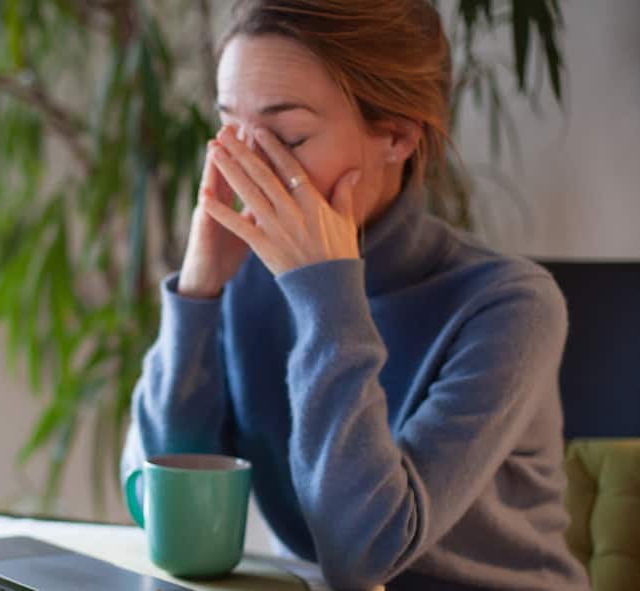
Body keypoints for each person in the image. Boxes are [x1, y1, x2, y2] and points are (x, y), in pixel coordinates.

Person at [120, 1, 589, 589]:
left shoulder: (511, 307)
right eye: (230, 130)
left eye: (288, 136)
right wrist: (198, 292)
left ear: (395, 135)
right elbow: (157, 506)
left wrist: (327, 298)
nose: (247, 167)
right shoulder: (247, 279)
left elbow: (363, 554)